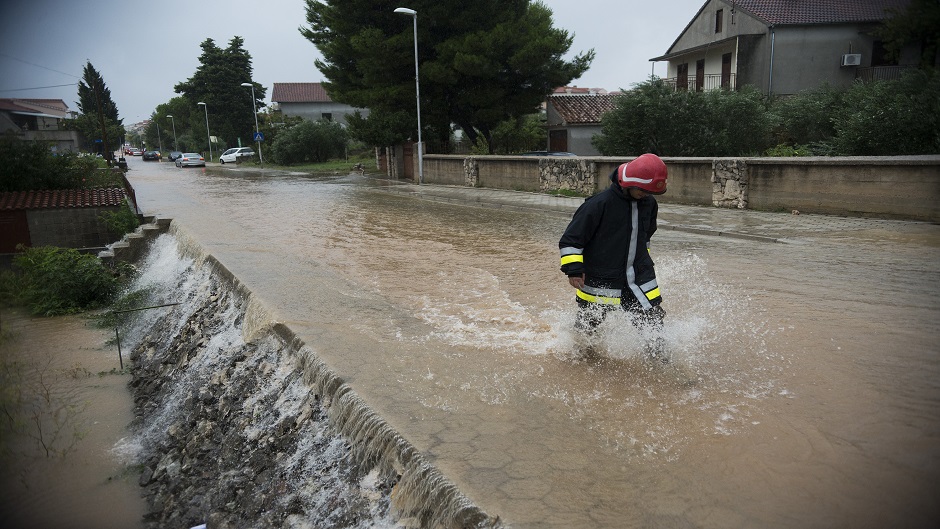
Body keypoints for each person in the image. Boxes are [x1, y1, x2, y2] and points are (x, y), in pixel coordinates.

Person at [558, 153, 668, 359]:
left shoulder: (649, 203)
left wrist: (643, 263)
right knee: (587, 328)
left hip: (639, 278)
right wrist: (574, 269)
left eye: (650, 192)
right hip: (601, 279)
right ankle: (579, 361)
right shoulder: (598, 204)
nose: (646, 195)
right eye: (643, 191)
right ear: (629, 183)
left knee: (653, 322)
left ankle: (661, 364)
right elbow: (571, 240)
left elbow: (646, 235)